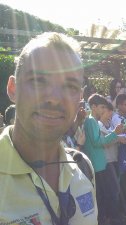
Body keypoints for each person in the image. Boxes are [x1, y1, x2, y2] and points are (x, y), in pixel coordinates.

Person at [0, 32, 98, 224]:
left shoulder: (82, 166)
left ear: (79, 98)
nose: (53, 98)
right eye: (38, 81)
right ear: (13, 88)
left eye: (69, 86)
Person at [83, 94, 124, 224]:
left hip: (100, 163)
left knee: (106, 192)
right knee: (102, 194)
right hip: (96, 165)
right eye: (101, 107)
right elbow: (97, 142)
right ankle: (103, 219)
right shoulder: (90, 121)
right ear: (93, 107)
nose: (103, 110)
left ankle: (107, 217)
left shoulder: (93, 121)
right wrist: (115, 134)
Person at [99, 102, 125, 225]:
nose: (112, 114)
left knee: (112, 189)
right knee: (113, 189)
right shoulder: (98, 125)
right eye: (110, 111)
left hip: (113, 159)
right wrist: (117, 136)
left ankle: (110, 216)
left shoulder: (108, 123)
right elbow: (103, 143)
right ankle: (110, 217)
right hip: (106, 161)